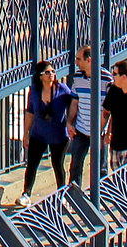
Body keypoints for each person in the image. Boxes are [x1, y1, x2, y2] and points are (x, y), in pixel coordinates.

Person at [19, 61, 74, 204]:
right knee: (31, 164)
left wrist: (70, 122)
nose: (51, 75)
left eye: (53, 72)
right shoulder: (35, 92)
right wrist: (26, 133)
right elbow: (30, 112)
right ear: (40, 76)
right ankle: (26, 194)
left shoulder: (62, 89)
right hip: (39, 134)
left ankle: (62, 193)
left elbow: (74, 104)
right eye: (47, 72)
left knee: (58, 164)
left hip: (59, 135)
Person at [67, 46, 97, 187]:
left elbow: (108, 109)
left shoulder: (106, 79)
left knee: (99, 168)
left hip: (98, 132)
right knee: (75, 167)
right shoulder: (78, 77)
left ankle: (99, 198)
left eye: (79, 59)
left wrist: (107, 131)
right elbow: (74, 102)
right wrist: (69, 123)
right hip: (81, 129)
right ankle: (74, 199)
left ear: (89, 60)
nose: (76, 62)